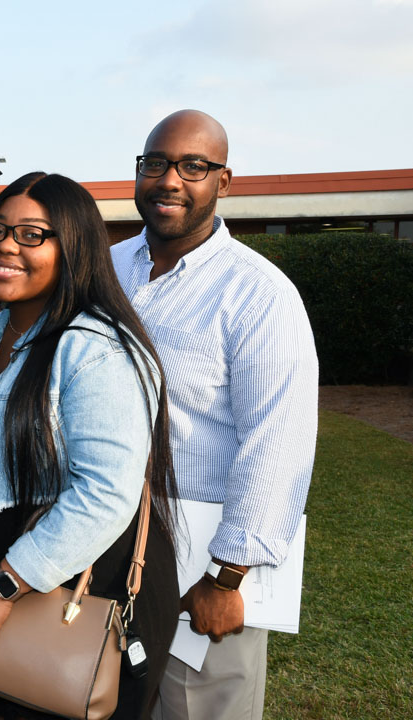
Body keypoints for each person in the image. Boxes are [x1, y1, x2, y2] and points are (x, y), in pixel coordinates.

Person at [0, 173, 181, 719]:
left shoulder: (97, 350)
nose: (6, 245)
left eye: (32, 234)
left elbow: (105, 494)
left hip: (90, 579)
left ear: (73, 247)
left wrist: (1, 586)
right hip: (17, 566)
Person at [110, 110, 317, 720]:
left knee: (193, 708)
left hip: (199, 563)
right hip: (106, 550)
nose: (170, 179)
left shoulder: (258, 293)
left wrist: (228, 577)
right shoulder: (108, 268)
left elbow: (278, 439)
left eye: (193, 166)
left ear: (223, 181)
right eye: (155, 163)